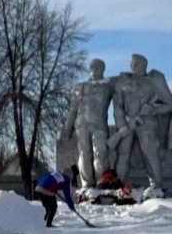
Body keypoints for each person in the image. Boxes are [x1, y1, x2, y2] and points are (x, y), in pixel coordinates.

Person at [109, 54, 172, 187]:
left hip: (147, 123)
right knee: (123, 154)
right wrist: (122, 126)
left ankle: (156, 186)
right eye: (132, 63)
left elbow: (169, 104)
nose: (132, 66)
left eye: (136, 63)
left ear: (144, 65)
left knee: (150, 153)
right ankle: (118, 185)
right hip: (127, 123)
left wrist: (153, 110)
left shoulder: (154, 80)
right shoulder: (122, 82)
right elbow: (117, 107)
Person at [62, 59, 114, 187]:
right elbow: (73, 110)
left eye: (98, 67)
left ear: (103, 69)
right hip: (83, 124)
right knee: (85, 154)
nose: (95, 70)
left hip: (100, 125)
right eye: (92, 67)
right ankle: (87, 185)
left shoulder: (108, 86)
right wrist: (68, 127)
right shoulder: (79, 87)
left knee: (101, 154)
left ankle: (102, 183)